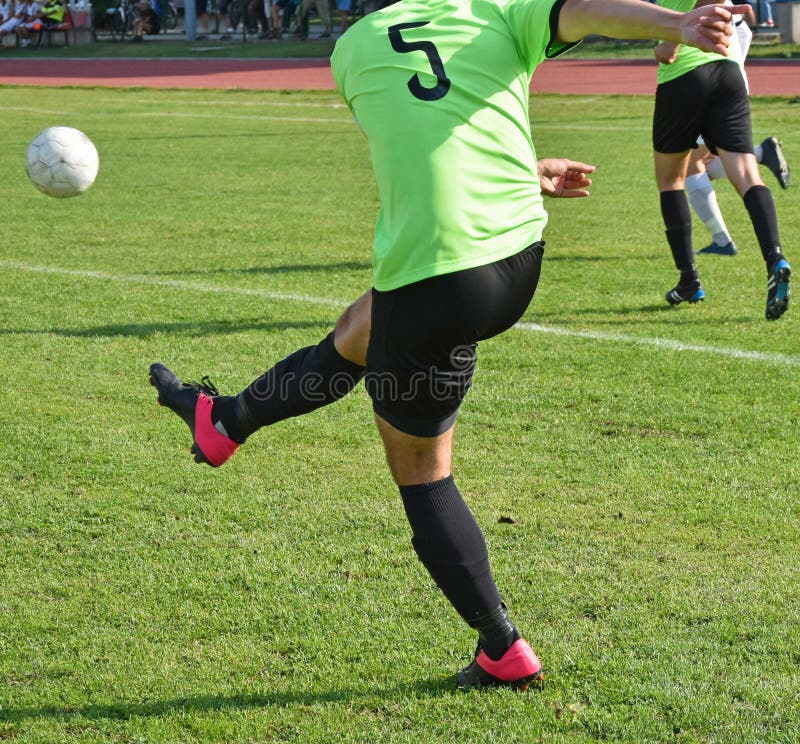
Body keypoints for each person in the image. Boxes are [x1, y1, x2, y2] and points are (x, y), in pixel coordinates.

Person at [151, 0, 744, 689]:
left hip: (436, 277)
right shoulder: (499, 13)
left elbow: (421, 134)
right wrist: (676, 24)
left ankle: (502, 649)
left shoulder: (353, 47)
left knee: (423, 474)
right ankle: (226, 422)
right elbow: (578, 13)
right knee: (359, 329)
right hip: (517, 257)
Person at [654, 0, 790, 319]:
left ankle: (689, 279)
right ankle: (775, 259)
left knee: (671, 178)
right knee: (747, 175)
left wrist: (670, 40)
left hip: (685, 74)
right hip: (729, 72)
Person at [685, 5, 790, 257]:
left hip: (710, 84)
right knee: (705, 165)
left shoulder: (709, 9)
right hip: (727, 82)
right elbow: (743, 31)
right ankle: (761, 154)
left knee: (689, 165)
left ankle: (723, 241)